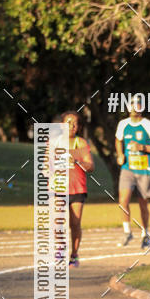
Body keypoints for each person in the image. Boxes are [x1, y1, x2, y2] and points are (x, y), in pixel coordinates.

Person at [115, 93, 150, 248]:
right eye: (131, 104)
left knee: (143, 204)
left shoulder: (148, 125)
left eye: (137, 104)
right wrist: (120, 154)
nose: (133, 107)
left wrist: (143, 147)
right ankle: (127, 231)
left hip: (144, 169)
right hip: (128, 168)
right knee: (123, 200)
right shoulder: (123, 124)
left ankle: (145, 234)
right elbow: (118, 139)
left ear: (142, 107)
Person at [60, 111, 94, 267]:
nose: (72, 126)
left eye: (75, 123)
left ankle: (74, 255)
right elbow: (45, 165)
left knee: (75, 223)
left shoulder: (80, 143)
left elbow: (90, 166)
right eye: (68, 122)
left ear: (78, 126)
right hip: (58, 189)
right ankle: (59, 254)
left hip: (77, 188)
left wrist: (77, 161)